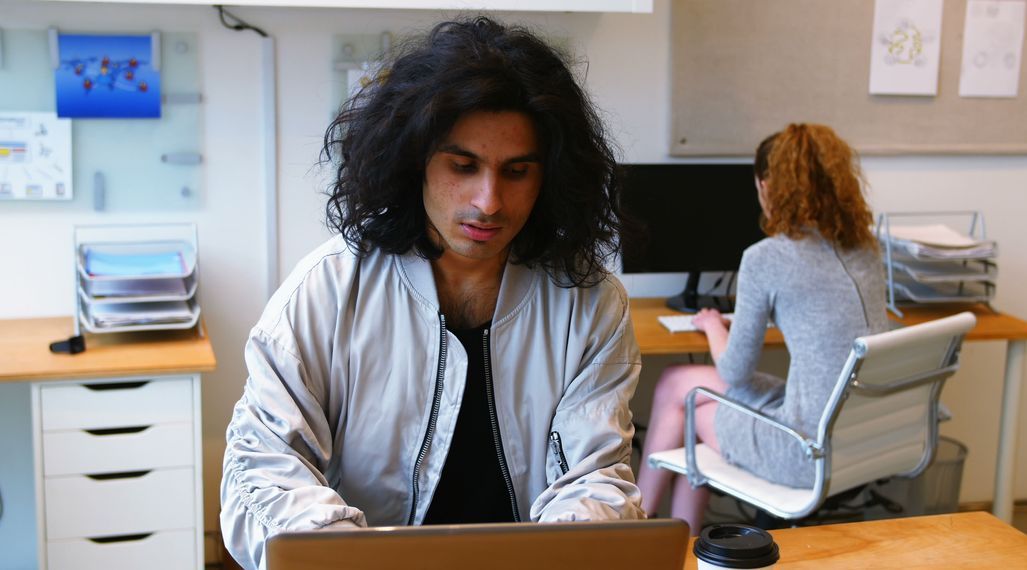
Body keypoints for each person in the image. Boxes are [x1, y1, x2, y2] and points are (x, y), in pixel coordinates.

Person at [220, 16, 644, 570]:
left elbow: (596, 477)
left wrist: (562, 554)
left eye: (516, 171)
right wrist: (347, 557)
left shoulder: (591, 304)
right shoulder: (325, 291)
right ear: (414, 161)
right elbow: (262, 466)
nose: (488, 201)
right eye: (462, 166)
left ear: (551, 179)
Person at [635, 123, 888, 532]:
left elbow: (735, 372)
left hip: (805, 450)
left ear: (768, 186)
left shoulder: (766, 257)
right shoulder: (866, 248)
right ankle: (668, 538)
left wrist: (713, 326)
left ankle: (642, 530)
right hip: (855, 433)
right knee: (679, 381)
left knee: (682, 400)